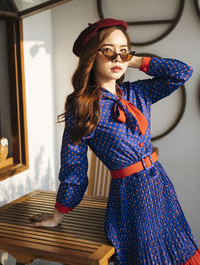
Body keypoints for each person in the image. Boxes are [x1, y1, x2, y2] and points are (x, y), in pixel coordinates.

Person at [29, 18, 200, 264]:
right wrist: (58, 214)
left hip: (161, 186)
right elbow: (73, 166)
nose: (117, 58)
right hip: (133, 197)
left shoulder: (136, 93)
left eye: (123, 51)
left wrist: (136, 61)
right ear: (92, 55)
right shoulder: (82, 106)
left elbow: (182, 72)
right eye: (108, 51)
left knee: (179, 250)